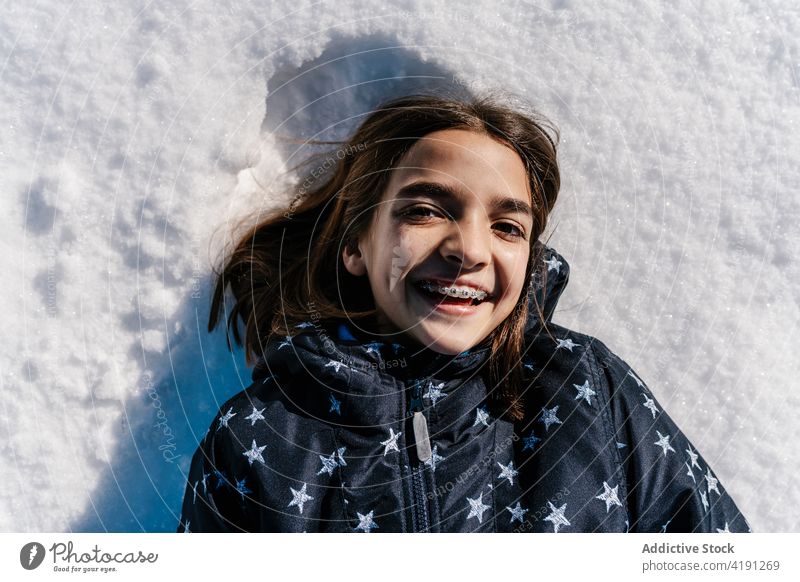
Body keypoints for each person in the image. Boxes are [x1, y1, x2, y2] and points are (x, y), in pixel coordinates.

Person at [176, 93, 750, 533]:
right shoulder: (265, 433)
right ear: (356, 245)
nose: (471, 250)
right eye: (427, 210)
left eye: (507, 227)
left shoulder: (585, 388)